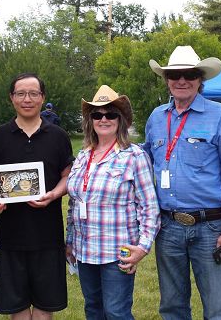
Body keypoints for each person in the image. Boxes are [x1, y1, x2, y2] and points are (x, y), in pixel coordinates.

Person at [144, 46, 221, 319]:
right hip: (167, 227)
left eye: (189, 74)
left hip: (211, 228)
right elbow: (143, 163)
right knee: (172, 307)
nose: (182, 80)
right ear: (167, 79)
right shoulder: (157, 117)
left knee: (217, 310)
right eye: (175, 74)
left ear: (200, 78)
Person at [66, 85, 160, 319]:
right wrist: (69, 241)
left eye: (110, 114)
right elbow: (74, 202)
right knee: (93, 310)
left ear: (121, 120)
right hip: (84, 249)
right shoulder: (83, 154)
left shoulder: (134, 156)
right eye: (97, 114)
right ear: (91, 120)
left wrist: (143, 247)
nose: (103, 119)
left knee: (116, 312)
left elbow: (149, 207)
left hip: (117, 251)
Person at [0, 73, 73, 319]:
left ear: (43, 98)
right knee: (17, 306)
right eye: (21, 93)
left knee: (46, 306)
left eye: (34, 93)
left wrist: (54, 194)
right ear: (12, 98)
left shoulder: (58, 136)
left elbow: (68, 175)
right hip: (12, 236)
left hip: (48, 235)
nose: (27, 99)